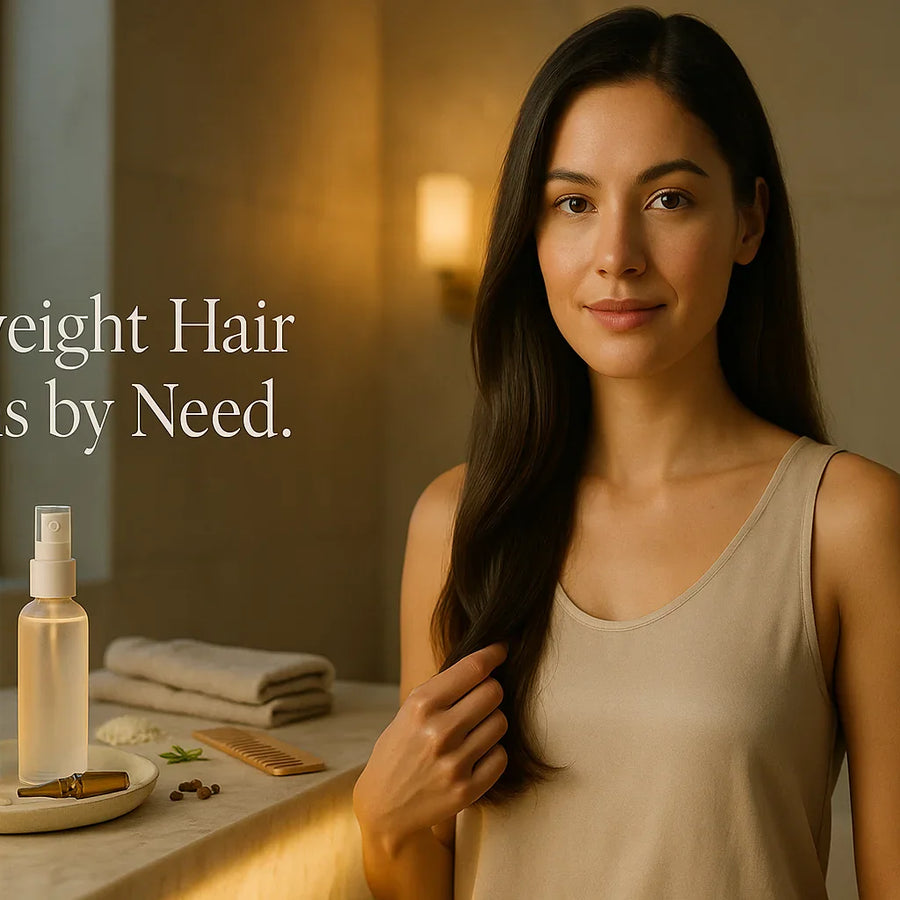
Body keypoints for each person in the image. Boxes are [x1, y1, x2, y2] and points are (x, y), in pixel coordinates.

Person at [353, 7, 900, 898]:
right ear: (532, 238)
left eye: (668, 200)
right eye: (573, 204)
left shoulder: (847, 522)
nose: (616, 255)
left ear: (750, 221)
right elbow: (427, 875)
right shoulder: (459, 521)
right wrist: (382, 822)